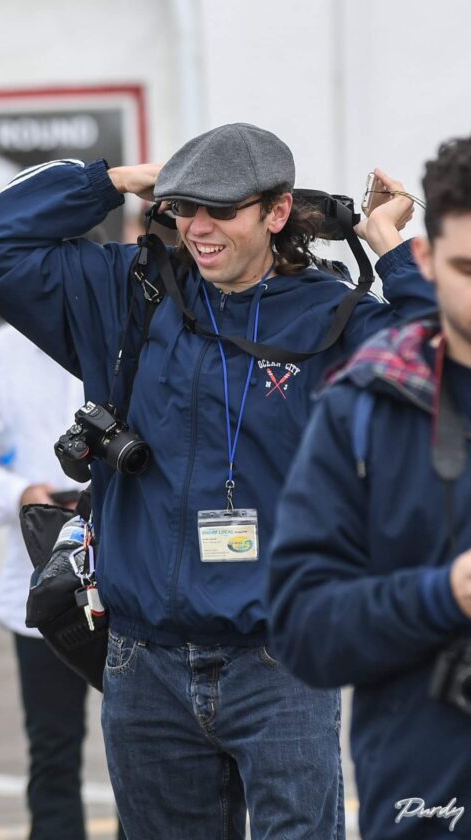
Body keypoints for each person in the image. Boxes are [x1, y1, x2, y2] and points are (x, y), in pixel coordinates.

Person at [0, 123, 435, 839]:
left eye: (222, 210)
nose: (199, 229)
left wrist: (390, 248)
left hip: (280, 663)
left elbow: (442, 370)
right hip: (142, 662)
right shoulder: (130, 291)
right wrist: (110, 180)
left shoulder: (334, 316)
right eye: (184, 208)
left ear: (277, 212)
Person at [268, 137, 471, 840]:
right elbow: (304, 631)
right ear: (427, 262)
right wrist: (445, 595)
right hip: (431, 805)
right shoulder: (364, 409)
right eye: (468, 269)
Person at [0, 323, 95, 840]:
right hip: (43, 575)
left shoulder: (125, 327)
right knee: (53, 745)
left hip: (128, 567)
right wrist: (21, 492)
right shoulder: (0, 351)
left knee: (146, 746)